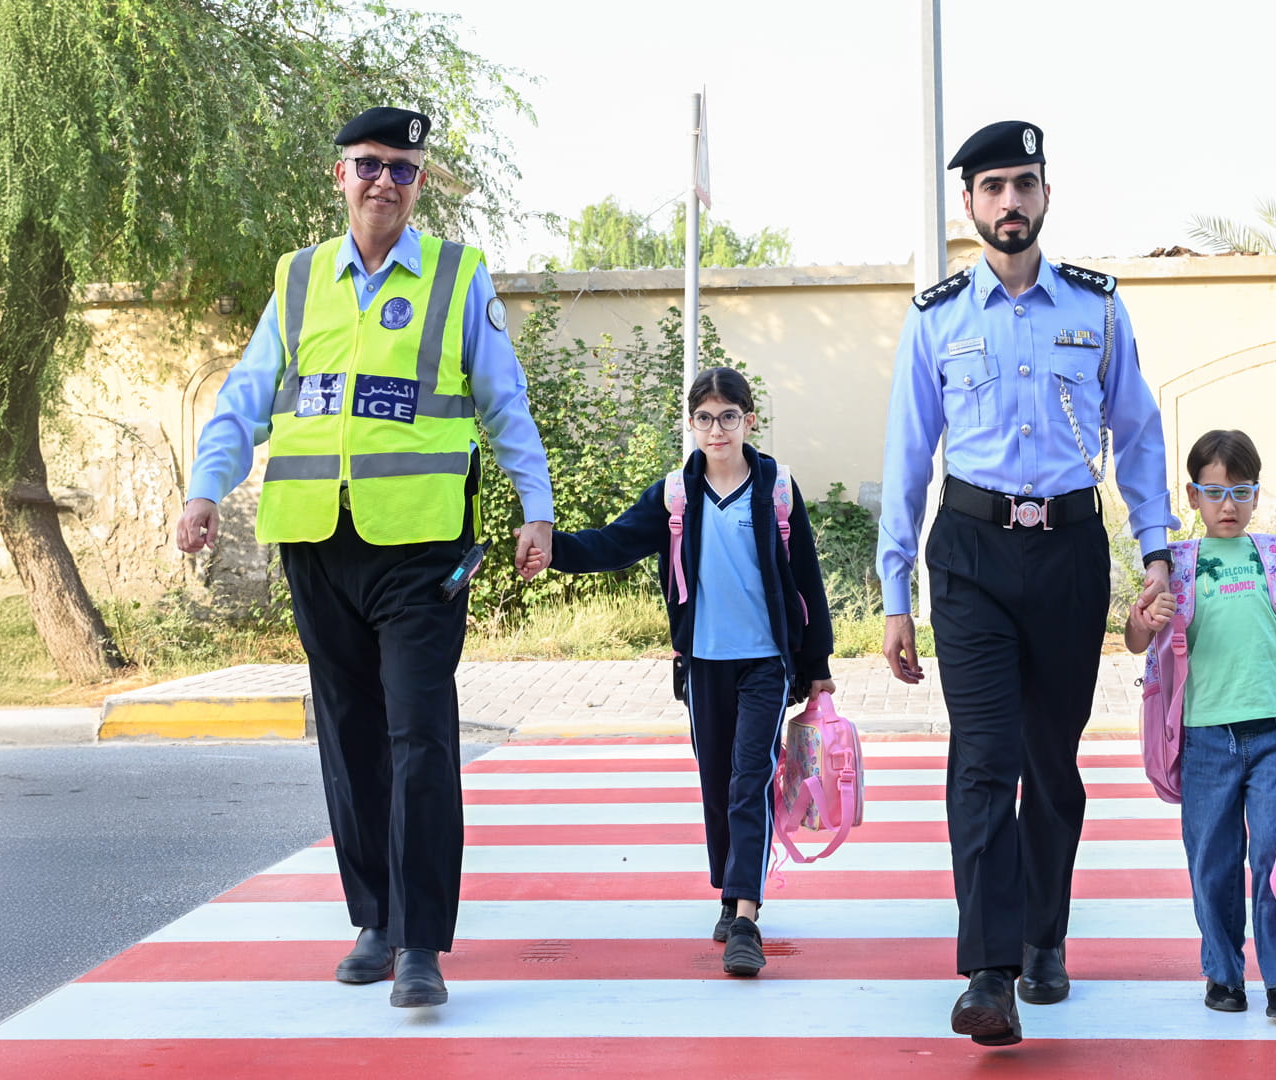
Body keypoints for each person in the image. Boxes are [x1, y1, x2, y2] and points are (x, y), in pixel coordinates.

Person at [174, 106, 555, 1009]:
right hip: (316, 539)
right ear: (339, 176)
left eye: (403, 169)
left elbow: (506, 403)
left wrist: (533, 508)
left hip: (423, 548)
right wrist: (204, 486)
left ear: (421, 185)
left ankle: (422, 942)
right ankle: (375, 920)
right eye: (368, 164)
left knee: (419, 733)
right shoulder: (299, 279)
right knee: (349, 736)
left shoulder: (458, 277)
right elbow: (247, 395)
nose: (385, 180)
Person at [877, 120, 1178, 1045]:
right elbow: (905, 458)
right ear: (968, 204)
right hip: (969, 554)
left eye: (1025, 184)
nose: (1010, 201)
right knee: (983, 759)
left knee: (1050, 764)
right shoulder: (936, 319)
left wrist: (1156, 553)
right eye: (993, 186)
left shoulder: (1097, 309)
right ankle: (989, 971)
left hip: (1070, 554)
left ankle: (1045, 937)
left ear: (1045, 196)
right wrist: (895, 594)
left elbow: (1139, 430)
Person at [536, 366, 834, 977]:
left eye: (729, 415)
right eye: (705, 417)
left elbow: (806, 577)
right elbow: (613, 543)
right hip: (701, 663)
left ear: (749, 420)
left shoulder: (776, 489)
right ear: (691, 424)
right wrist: (551, 548)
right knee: (717, 782)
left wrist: (817, 664)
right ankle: (731, 888)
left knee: (750, 777)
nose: (717, 428)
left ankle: (746, 915)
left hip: (764, 662)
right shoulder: (676, 494)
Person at [1125, 428, 1276, 1020]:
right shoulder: (1178, 564)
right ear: (1191, 497)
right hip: (1206, 739)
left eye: (1241, 491)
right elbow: (1136, 638)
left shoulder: (1274, 555)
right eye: (1213, 492)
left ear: (1257, 495)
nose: (1227, 505)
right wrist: (1146, 615)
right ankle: (1223, 973)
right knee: (1213, 862)